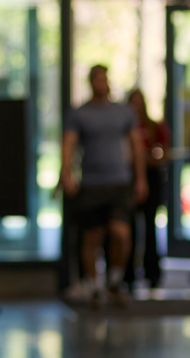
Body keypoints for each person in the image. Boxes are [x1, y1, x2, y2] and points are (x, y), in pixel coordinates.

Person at [61, 65, 147, 307]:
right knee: (93, 237)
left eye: (105, 78)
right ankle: (95, 286)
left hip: (119, 182)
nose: (102, 82)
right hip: (91, 184)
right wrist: (66, 173)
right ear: (91, 82)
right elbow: (68, 143)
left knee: (121, 233)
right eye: (97, 78)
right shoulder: (79, 113)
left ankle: (115, 280)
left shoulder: (123, 112)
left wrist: (140, 178)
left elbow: (136, 144)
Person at [125, 89, 170, 288]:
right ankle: (128, 274)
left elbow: (165, 150)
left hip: (151, 177)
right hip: (129, 176)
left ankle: (152, 272)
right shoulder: (125, 126)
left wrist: (151, 160)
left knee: (150, 226)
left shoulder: (153, 125)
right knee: (130, 227)